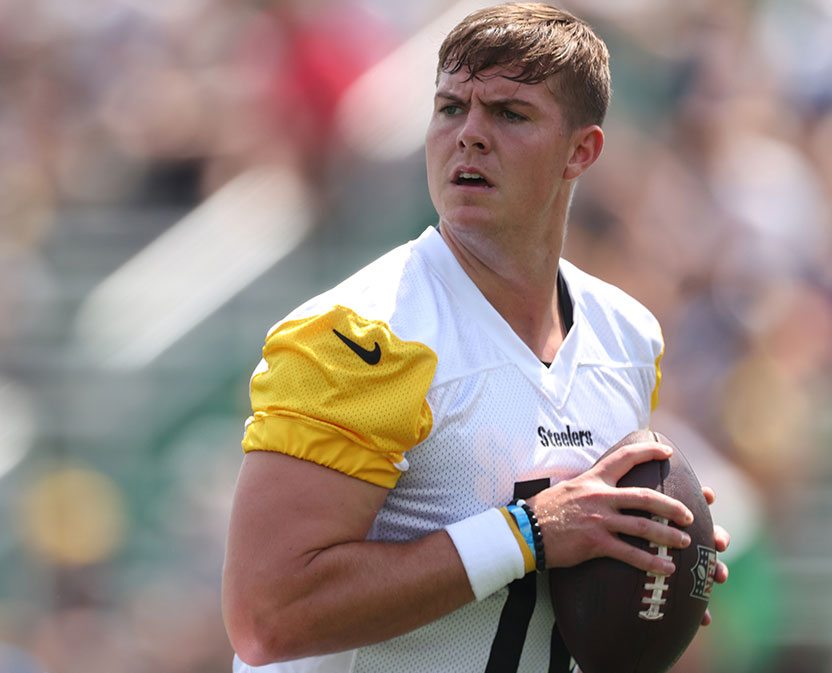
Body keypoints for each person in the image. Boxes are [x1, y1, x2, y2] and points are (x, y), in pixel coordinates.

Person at [221, 3, 731, 672]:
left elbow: (570, 560)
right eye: (449, 107)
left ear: (582, 150)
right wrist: (532, 532)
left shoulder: (626, 332)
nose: (469, 135)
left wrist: (651, 554)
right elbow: (267, 617)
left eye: (509, 113)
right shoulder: (358, 335)